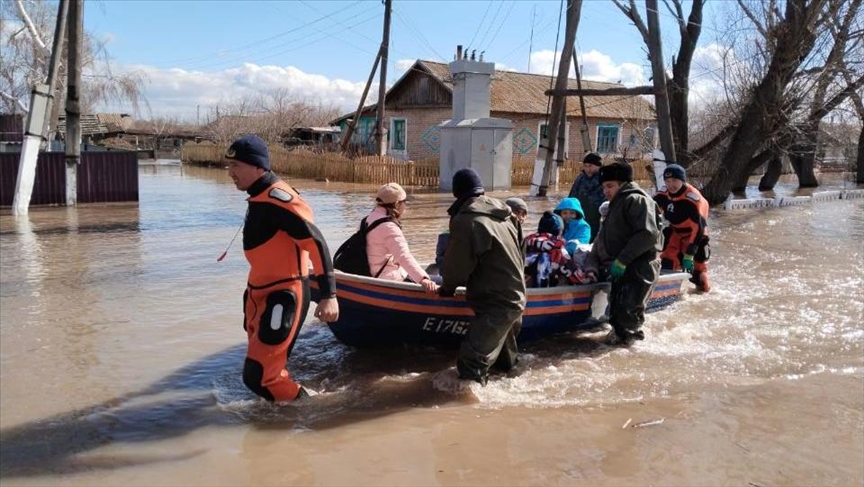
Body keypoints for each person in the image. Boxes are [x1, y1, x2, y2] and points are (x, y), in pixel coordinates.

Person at [226, 134, 339, 402]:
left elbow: (317, 244)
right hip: (259, 293)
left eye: (235, 166)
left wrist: (329, 295)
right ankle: (278, 419)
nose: (230, 173)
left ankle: (308, 410)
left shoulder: (280, 199)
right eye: (228, 166)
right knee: (260, 372)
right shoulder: (258, 195)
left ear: (257, 167)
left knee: (261, 377)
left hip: (284, 294)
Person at [439, 168, 527, 385]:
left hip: (496, 303)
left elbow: (456, 267)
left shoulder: (467, 221)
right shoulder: (507, 215)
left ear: (456, 193)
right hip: (516, 296)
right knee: (506, 364)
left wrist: (447, 288)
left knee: (471, 361)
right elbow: (521, 252)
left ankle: (468, 410)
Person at [584, 162, 663, 346]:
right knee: (619, 316)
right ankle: (619, 350)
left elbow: (648, 234)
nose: (605, 191)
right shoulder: (617, 203)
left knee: (628, 316)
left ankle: (632, 353)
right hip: (624, 267)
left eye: (610, 186)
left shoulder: (636, 200)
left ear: (623, 183)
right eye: (603, 186)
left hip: (638, 266)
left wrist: (622, 260)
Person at [365, 182, 438, 293]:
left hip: (374, 272)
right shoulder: (389, 227)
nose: (406, 206)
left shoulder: (369, 218)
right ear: (397, 204)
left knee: (434, 269)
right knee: (443, 281)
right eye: (405, 202)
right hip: (390, 278)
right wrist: (422, 279)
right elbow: (403, 256)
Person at [653, 164, 712, 293]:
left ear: (682, 180)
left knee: (698, 276)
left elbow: (699, 228)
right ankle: (665, 292)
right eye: (667, 181)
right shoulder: (662, 194)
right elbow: (651, 213)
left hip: (696, 237)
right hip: (676, 233)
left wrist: (690, 254)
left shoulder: (693, 200)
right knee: (667, 263)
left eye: (675, 181)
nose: (671, 185)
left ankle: (703, 293)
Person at [524, 211, 569, 288]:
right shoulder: (558, 247)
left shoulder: (527, 240)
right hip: (543, 287)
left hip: (522, 282)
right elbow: (570, 269)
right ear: (559, 231)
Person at [568, 152, 606, 242]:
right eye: (585, 166)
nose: (588, 169)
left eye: (590, 166)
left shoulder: (604, 180)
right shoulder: (580, 179)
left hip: (596, 217)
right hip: (579, 216)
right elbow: (571, 197)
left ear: (599, 166)